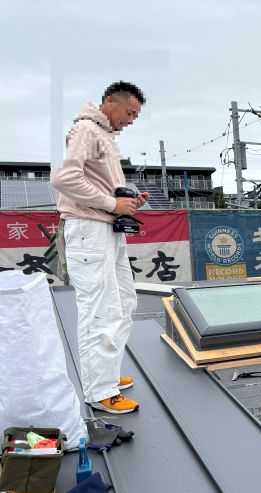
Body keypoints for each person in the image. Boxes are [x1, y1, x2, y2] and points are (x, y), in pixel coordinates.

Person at [50, 81, 149, 415]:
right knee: (100, 309)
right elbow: (63, 178)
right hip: (89, 228)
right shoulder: (86, 131)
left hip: (104, 227)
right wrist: (112, 203)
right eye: (130, 112)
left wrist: (127, 200)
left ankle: (105, 375)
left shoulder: (103, 135)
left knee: (123, 301)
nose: (132, 119)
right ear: (110, 102)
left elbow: (99, 185)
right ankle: (99, 391)